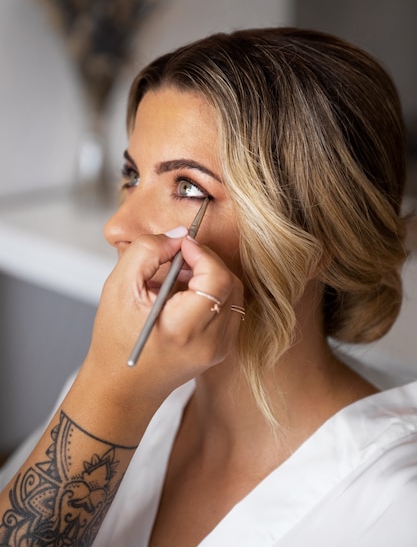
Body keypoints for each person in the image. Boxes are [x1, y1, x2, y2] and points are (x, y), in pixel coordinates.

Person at [0, 27, 416, 546]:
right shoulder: (113, 384)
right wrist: (109, 394)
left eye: (189, 186)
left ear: (322, 238)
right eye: (132, 175)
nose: (118, 226)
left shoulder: (396, 509)